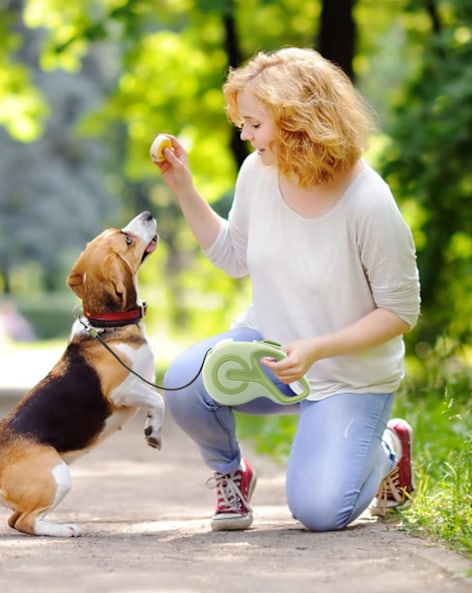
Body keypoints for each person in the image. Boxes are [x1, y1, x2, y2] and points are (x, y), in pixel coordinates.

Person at [152, 47, 420, 532]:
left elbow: (400, 312)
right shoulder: (258, 172)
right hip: (272, 355)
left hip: (347, 374)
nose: (244, 134)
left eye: (254, 123)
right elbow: (233, 256)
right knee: (186, 383)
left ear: (298, 121)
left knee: (319, 513)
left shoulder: (369, 202)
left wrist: (318, 348)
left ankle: (388, 448)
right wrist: (184, 188)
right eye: (242, 122)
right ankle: (231, 475)